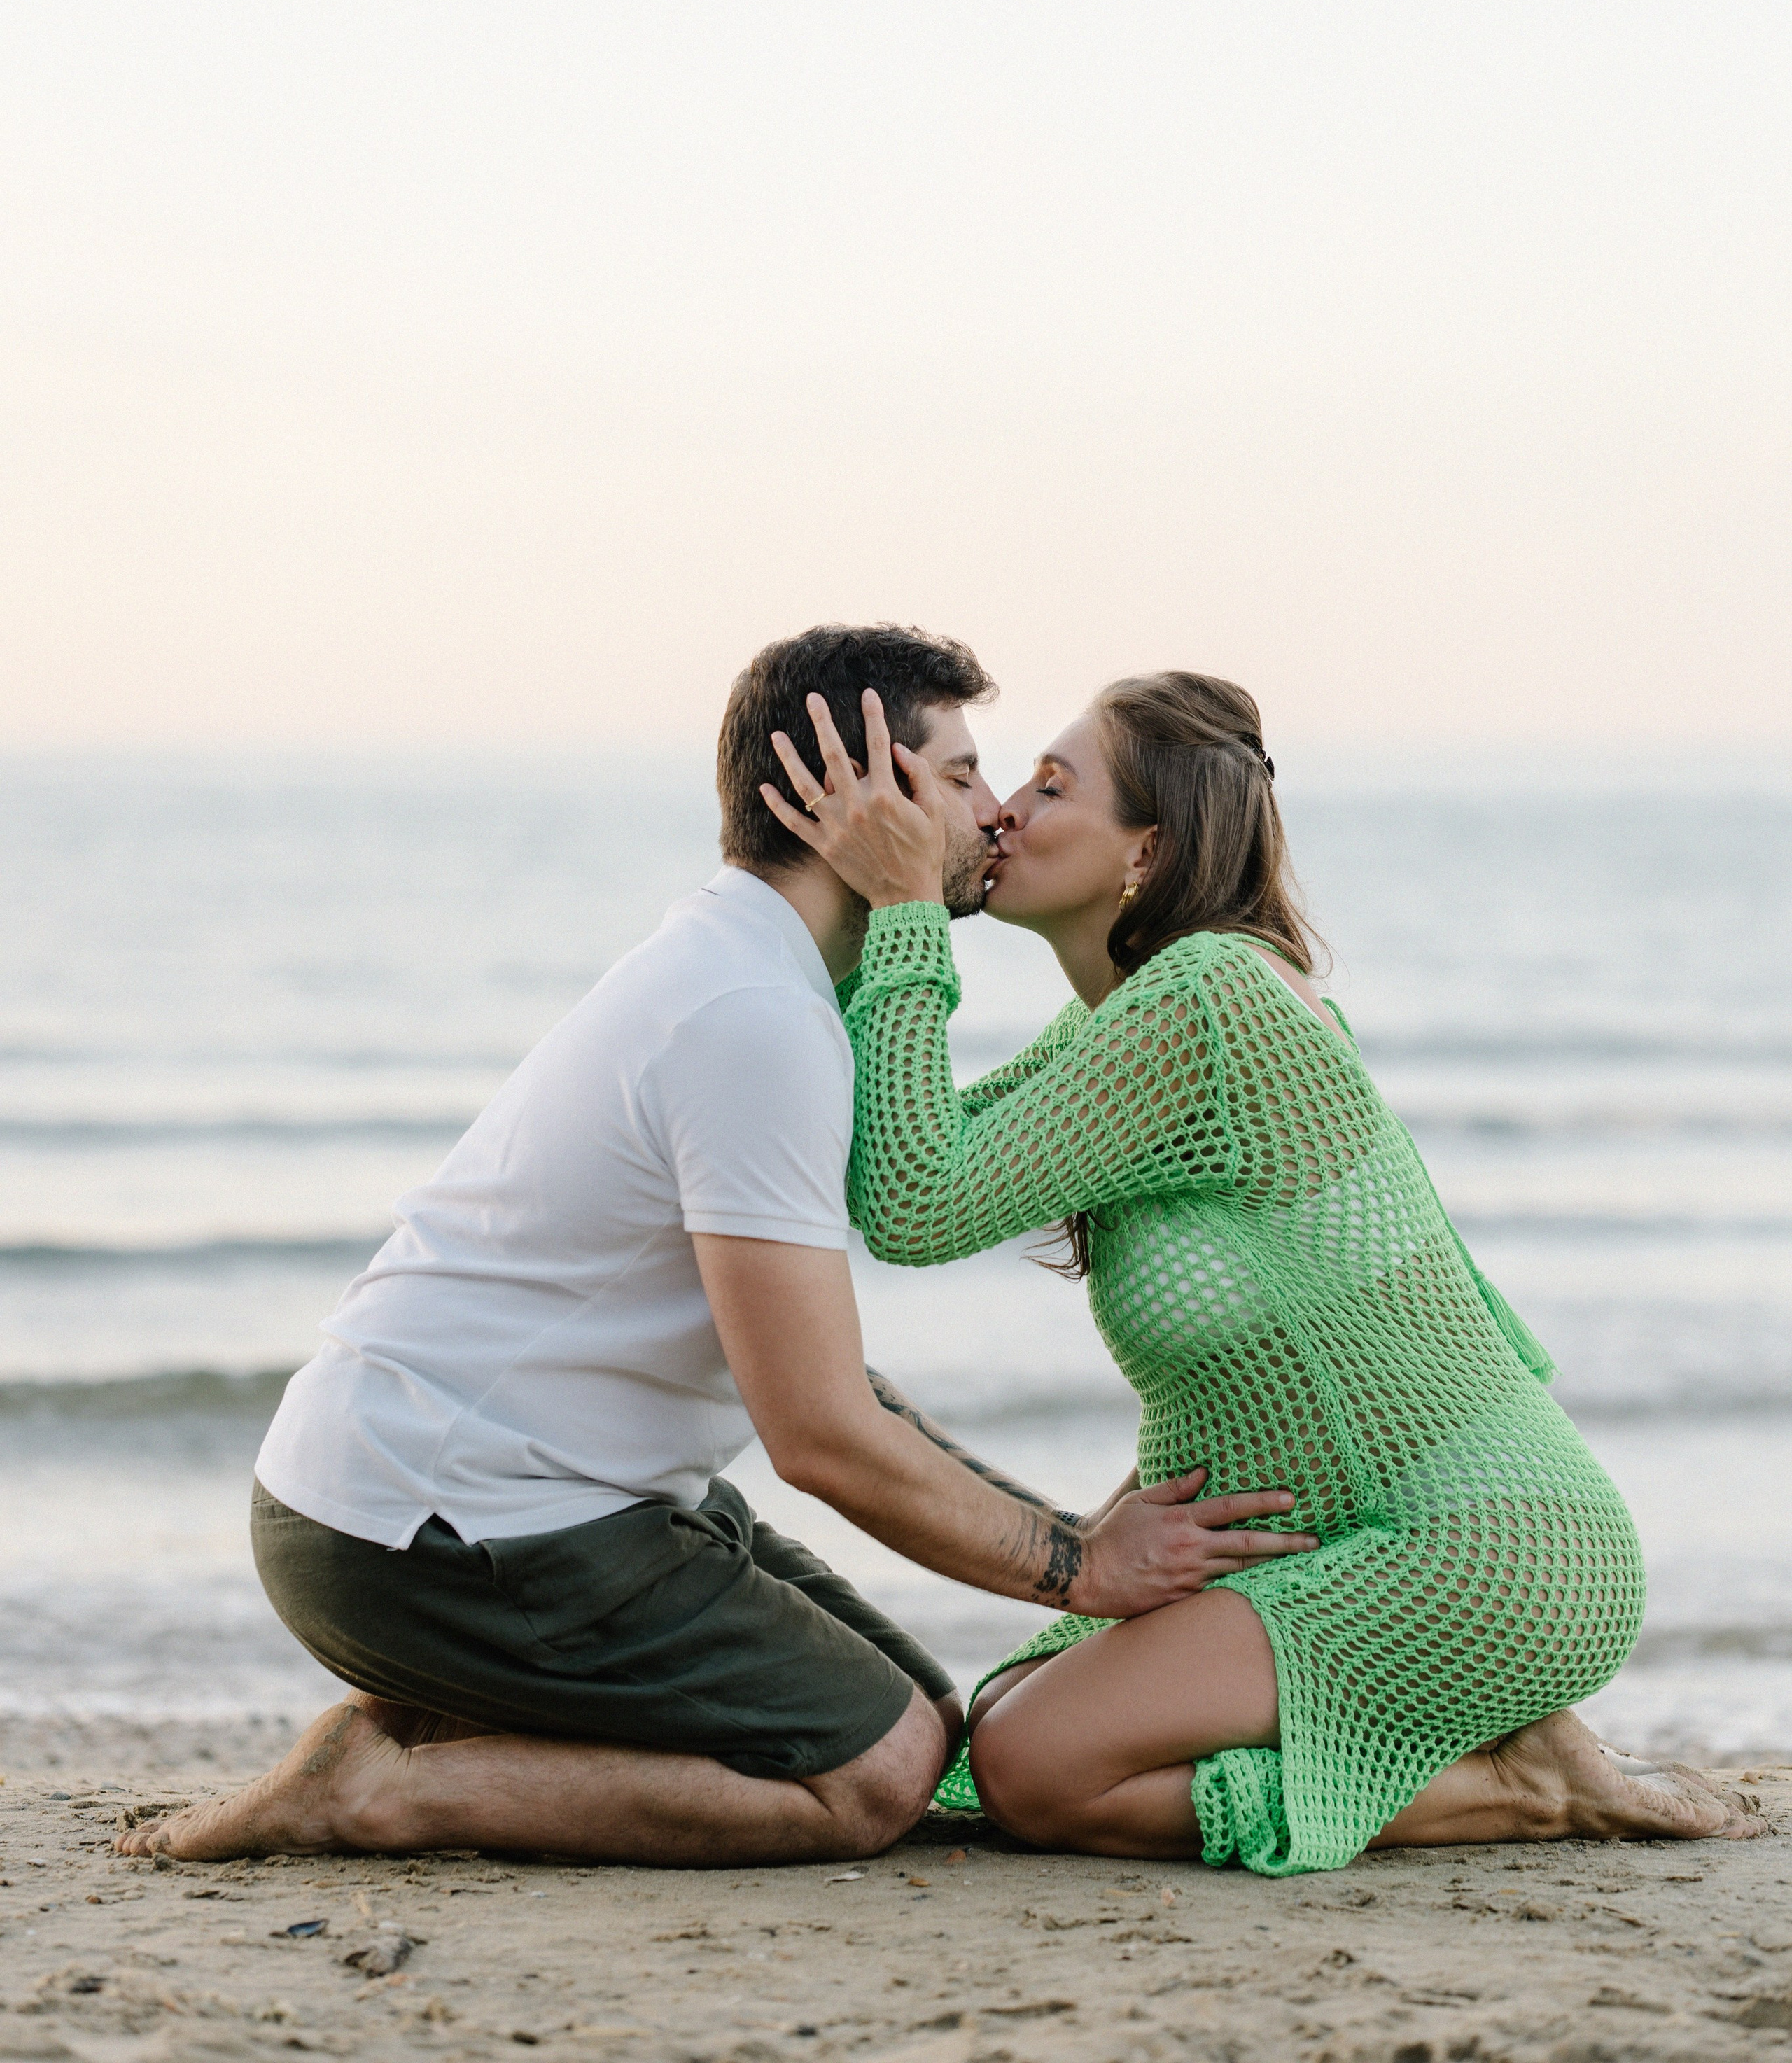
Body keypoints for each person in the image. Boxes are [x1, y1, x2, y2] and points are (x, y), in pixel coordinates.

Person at [119, 627, 1311, 1872]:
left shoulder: (765, 976)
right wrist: (1078, 1567)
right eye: (959, 776)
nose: (992, 812)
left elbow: (830, 1381)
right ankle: (378, 1789)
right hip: (428, 1529)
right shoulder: (753, 1021)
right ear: (855, 792)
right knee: (877, 1773)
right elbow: (819, 1437)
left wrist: (1061, 1534)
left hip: (517, 1498)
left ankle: (434, 1713)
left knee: (929, 1717)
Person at [762, 670, 1759, 1872]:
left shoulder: (1210, 999)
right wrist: (867, 914)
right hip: (1369, 1535)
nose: (1005, 809)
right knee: (1005, 1730)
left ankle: (1533, 1787)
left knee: (1035, 1768)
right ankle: (1476, 1759)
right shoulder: (1123, 1023)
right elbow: (899, 1159)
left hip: (1486, 1543)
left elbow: (919, 1205)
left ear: (1151, 848)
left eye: (1051, 782)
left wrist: (904, 901)